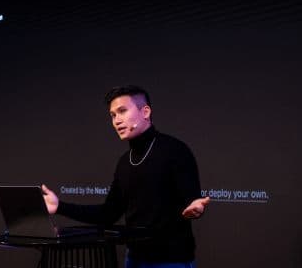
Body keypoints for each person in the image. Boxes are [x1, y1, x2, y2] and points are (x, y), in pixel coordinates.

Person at [42, 85, 210, 268]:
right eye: (113, 115)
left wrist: (196, 206)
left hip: (171, 261)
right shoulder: (124, 162)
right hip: (134, 259)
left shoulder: (175, 150)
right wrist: (59, 206)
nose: (116, 120)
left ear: (145, 112)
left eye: (122, 111)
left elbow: (192, 200)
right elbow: (108, 214)